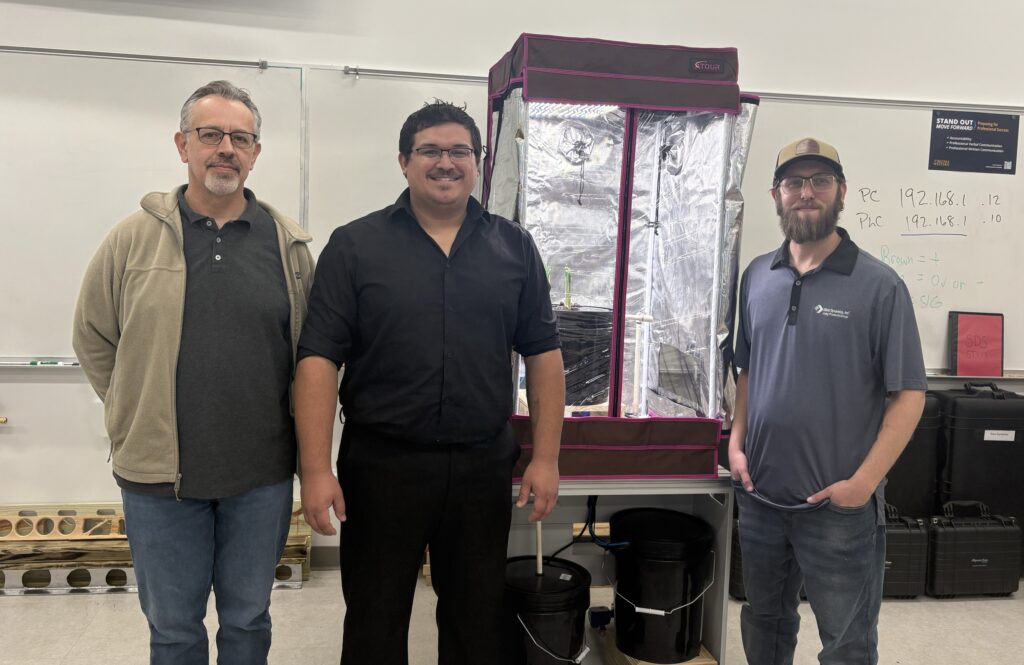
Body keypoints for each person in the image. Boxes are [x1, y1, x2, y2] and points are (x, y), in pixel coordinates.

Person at [294, 100, 565, 665]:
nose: (446, 163)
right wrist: (316, 470)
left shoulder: (514, 248)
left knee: (475, 619)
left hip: (480, 466)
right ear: (403, 161)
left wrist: (546, 459)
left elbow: (542, 354)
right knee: (374, 617)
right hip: (381, 467)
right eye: (430, 151)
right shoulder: (354, 246)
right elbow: (318, 360)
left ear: (478, 162)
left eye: (459, 151)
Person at [72, 80, 314, 665]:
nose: (225, 148)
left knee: (248, 622)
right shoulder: (131, 239)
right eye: (210, 135)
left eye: (240, 137)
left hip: (260, 478)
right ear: (183, 145)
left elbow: (310, 357)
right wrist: (133, 408)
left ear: (256, 152)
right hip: (159, 482)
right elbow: (94, 337)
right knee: (175, 629)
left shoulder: (289, 246)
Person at [728, 137, 927, 664]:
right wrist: (737, 444)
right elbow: (747, 369)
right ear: (776, 194)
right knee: (764, 624)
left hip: (838, 509)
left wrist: (862, 485)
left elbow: (908, 394)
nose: (806, 192)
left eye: (820, 181)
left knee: (847, 643)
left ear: (841, 192)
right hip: (761, 497)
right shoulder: (755, 277)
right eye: (794, 182)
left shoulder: (880, 287)